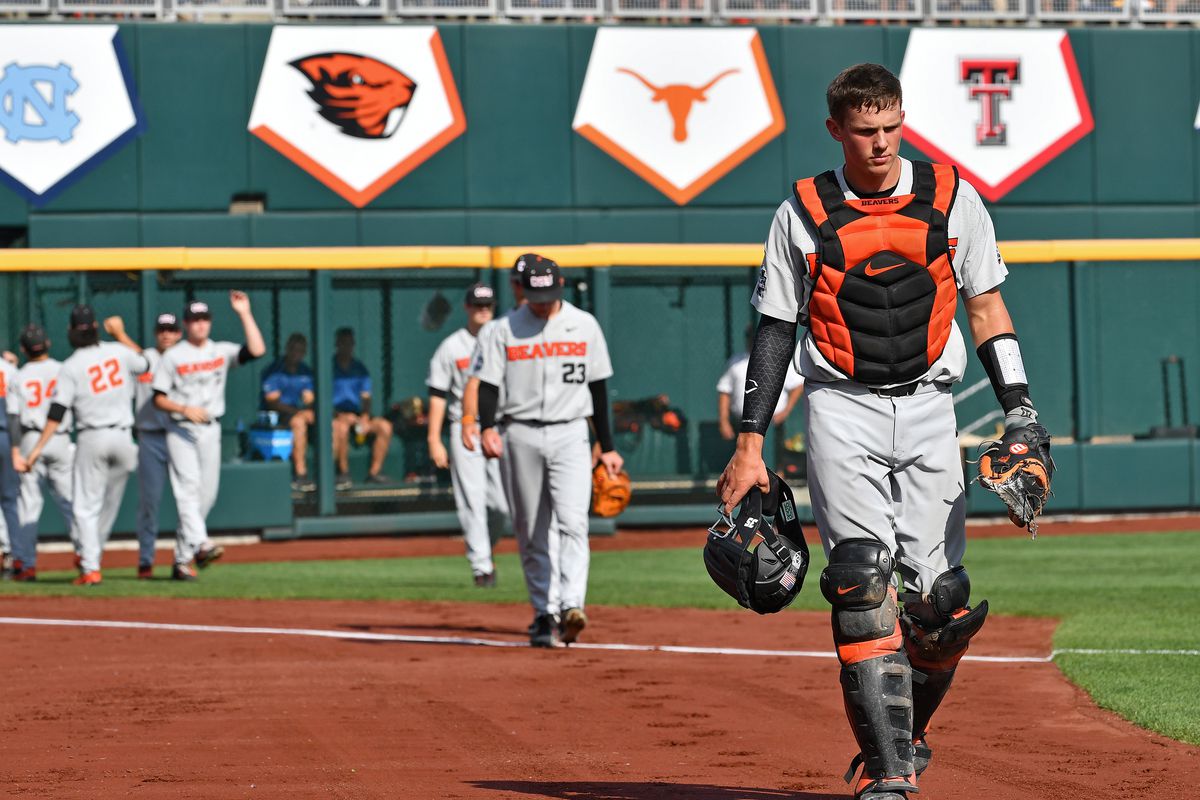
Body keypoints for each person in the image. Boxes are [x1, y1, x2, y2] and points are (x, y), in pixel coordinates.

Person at [717, 63, 1040, 800]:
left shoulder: (952, 197)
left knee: (941, 604)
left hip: (931, 403)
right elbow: (775, 328)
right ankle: (889, 772)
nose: (882, 143)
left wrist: (1019, 408)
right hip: (841, 402)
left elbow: (986, 308)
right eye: (866, 131)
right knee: (860, 580)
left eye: (892, 127)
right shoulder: (802, 211)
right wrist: (749, 443)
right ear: (836, 130)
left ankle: (906, 734)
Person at [474, 255, 622, 648]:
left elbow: (598, 389)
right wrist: (486, 427)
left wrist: (607, 446)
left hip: (571, 432)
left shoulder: (584, 325)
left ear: (561, 286)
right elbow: (488, 385)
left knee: (573, 522)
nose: (542, 305)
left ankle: (572, 605)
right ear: (521, 290)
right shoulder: (503, 329)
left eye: (549, 296)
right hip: (519, 432)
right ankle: (543, 612)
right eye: (535, 297)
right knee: (531, 528)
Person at [21, 307, 149, 586]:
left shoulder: (72, 365)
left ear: (70, 332)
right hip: (124, 439)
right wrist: (121, 334)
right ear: (96, 328)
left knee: (84, 508)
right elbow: (146, 363)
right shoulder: (119, 351)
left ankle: (90, 566)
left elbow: (57, 411)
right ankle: (92, 556)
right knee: (107, 508)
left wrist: (37, 448)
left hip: (93, 437)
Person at [152, 293, 265, 581]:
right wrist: (184, 409)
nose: (200, 324)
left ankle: (182, 559)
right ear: (186, 324)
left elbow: (257, 350)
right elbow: (158, 399)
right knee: (187, 490)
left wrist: (244, 313)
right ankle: (202, 544)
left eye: (204, 319)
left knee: (207, 496)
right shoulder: (173, 356)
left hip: (211, 428)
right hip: (181, 428)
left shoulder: (220, 351)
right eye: (194, 320)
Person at [426, 283, 509, 587]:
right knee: (472, 500)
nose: (483, 310)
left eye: (487, 305)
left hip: (500, 426)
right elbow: (437, 394)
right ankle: (481, 568)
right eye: (477, 305)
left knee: (501, 505)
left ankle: (485, 549)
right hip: (465, 427)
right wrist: (434, 438)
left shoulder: (505, 337)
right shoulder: (452, 346)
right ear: (467, 307)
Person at [10, 324, 76, 580]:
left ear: (23, 349)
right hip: (60, 437)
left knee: (29, 504)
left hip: (30, 438)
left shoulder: (19, 376)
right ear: (47, 344)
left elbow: (14, 418)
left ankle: (27, 565)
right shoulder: (64, 369)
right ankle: (87, 559)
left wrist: (16, 451)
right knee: (69, 502)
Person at [127, 312, 182, 579]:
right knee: (149, 502)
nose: (166, 334)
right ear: (155, 333)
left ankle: (183, 559)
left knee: (187, 501)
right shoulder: (144, 358)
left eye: (171, 329)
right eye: (162, 329)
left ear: (179, 333)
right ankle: (145, 560)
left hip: (180, 434)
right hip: (149, 436)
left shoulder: (185, 358)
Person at [717, 323, 805, 442]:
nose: (753, 340)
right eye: (750, 336)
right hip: (741, 425)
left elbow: (798, 385)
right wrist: (724, 421)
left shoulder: (776, 359)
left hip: (771, 425)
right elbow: (725, 390)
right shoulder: (735, 362)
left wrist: (785, 412)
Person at [331, 327, 392, 489]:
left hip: (358, 415)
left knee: (385, 426)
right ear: (337, 344)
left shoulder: (360, 369)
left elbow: (366, 398)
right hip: (335, 416)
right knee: (341, 428)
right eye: (343, 343)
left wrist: (364, 418)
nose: (347, 347)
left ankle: (374, 473)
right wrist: (340, 416)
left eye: (350, 343)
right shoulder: (328, 367)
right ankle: (343, 474)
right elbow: (321, 401)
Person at [261, 333, 316, 492]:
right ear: (287, 349)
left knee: (332, 423)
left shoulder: (305, 371)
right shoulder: (274, 370)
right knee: (298, 422)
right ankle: (300, 475)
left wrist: (309, 405)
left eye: (300, 350)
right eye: (293, 349)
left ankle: (334, 475)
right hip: (276, 416)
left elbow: (309, 397)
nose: (296, 354)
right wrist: (299, 412)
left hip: (301, 413)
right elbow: (273, 402)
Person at [0, 351, 20, 574]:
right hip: (7, 437)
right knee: (10, 500)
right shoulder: (10, 369)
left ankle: (8, 550)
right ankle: (15, 553)